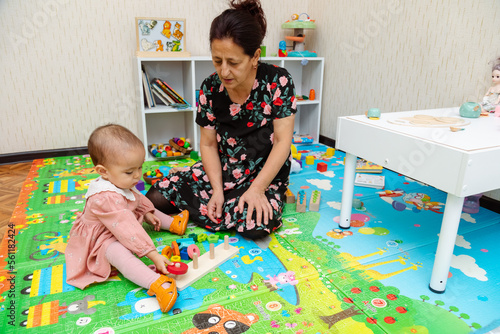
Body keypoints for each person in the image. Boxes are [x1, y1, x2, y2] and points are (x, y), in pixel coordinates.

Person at [146, 0, 296, 240]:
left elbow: (282, 142)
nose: (224, 71)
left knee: (254, 227)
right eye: (217, 61)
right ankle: (213, 193)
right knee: (154, 199)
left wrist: (257, 189)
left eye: (233, 63)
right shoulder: (210, 87)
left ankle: (251, 197)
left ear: (255, 56)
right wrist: (216, 190)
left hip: (262, 174)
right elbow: (207, 145)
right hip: (223, 169)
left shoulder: (278, 81)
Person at [65, 124, 189, 312]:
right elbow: (127, 227)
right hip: (101, 239)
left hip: (120, 224)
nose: (137, 175)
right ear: (103, 171)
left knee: (146, 208)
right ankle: (156, 284)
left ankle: (174, 223)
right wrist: (153, 254)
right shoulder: (104, 197)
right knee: (119, 254)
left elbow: (136, 199)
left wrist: (146, 212)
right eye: (130, 172)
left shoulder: (118, 179)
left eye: (140, 167)